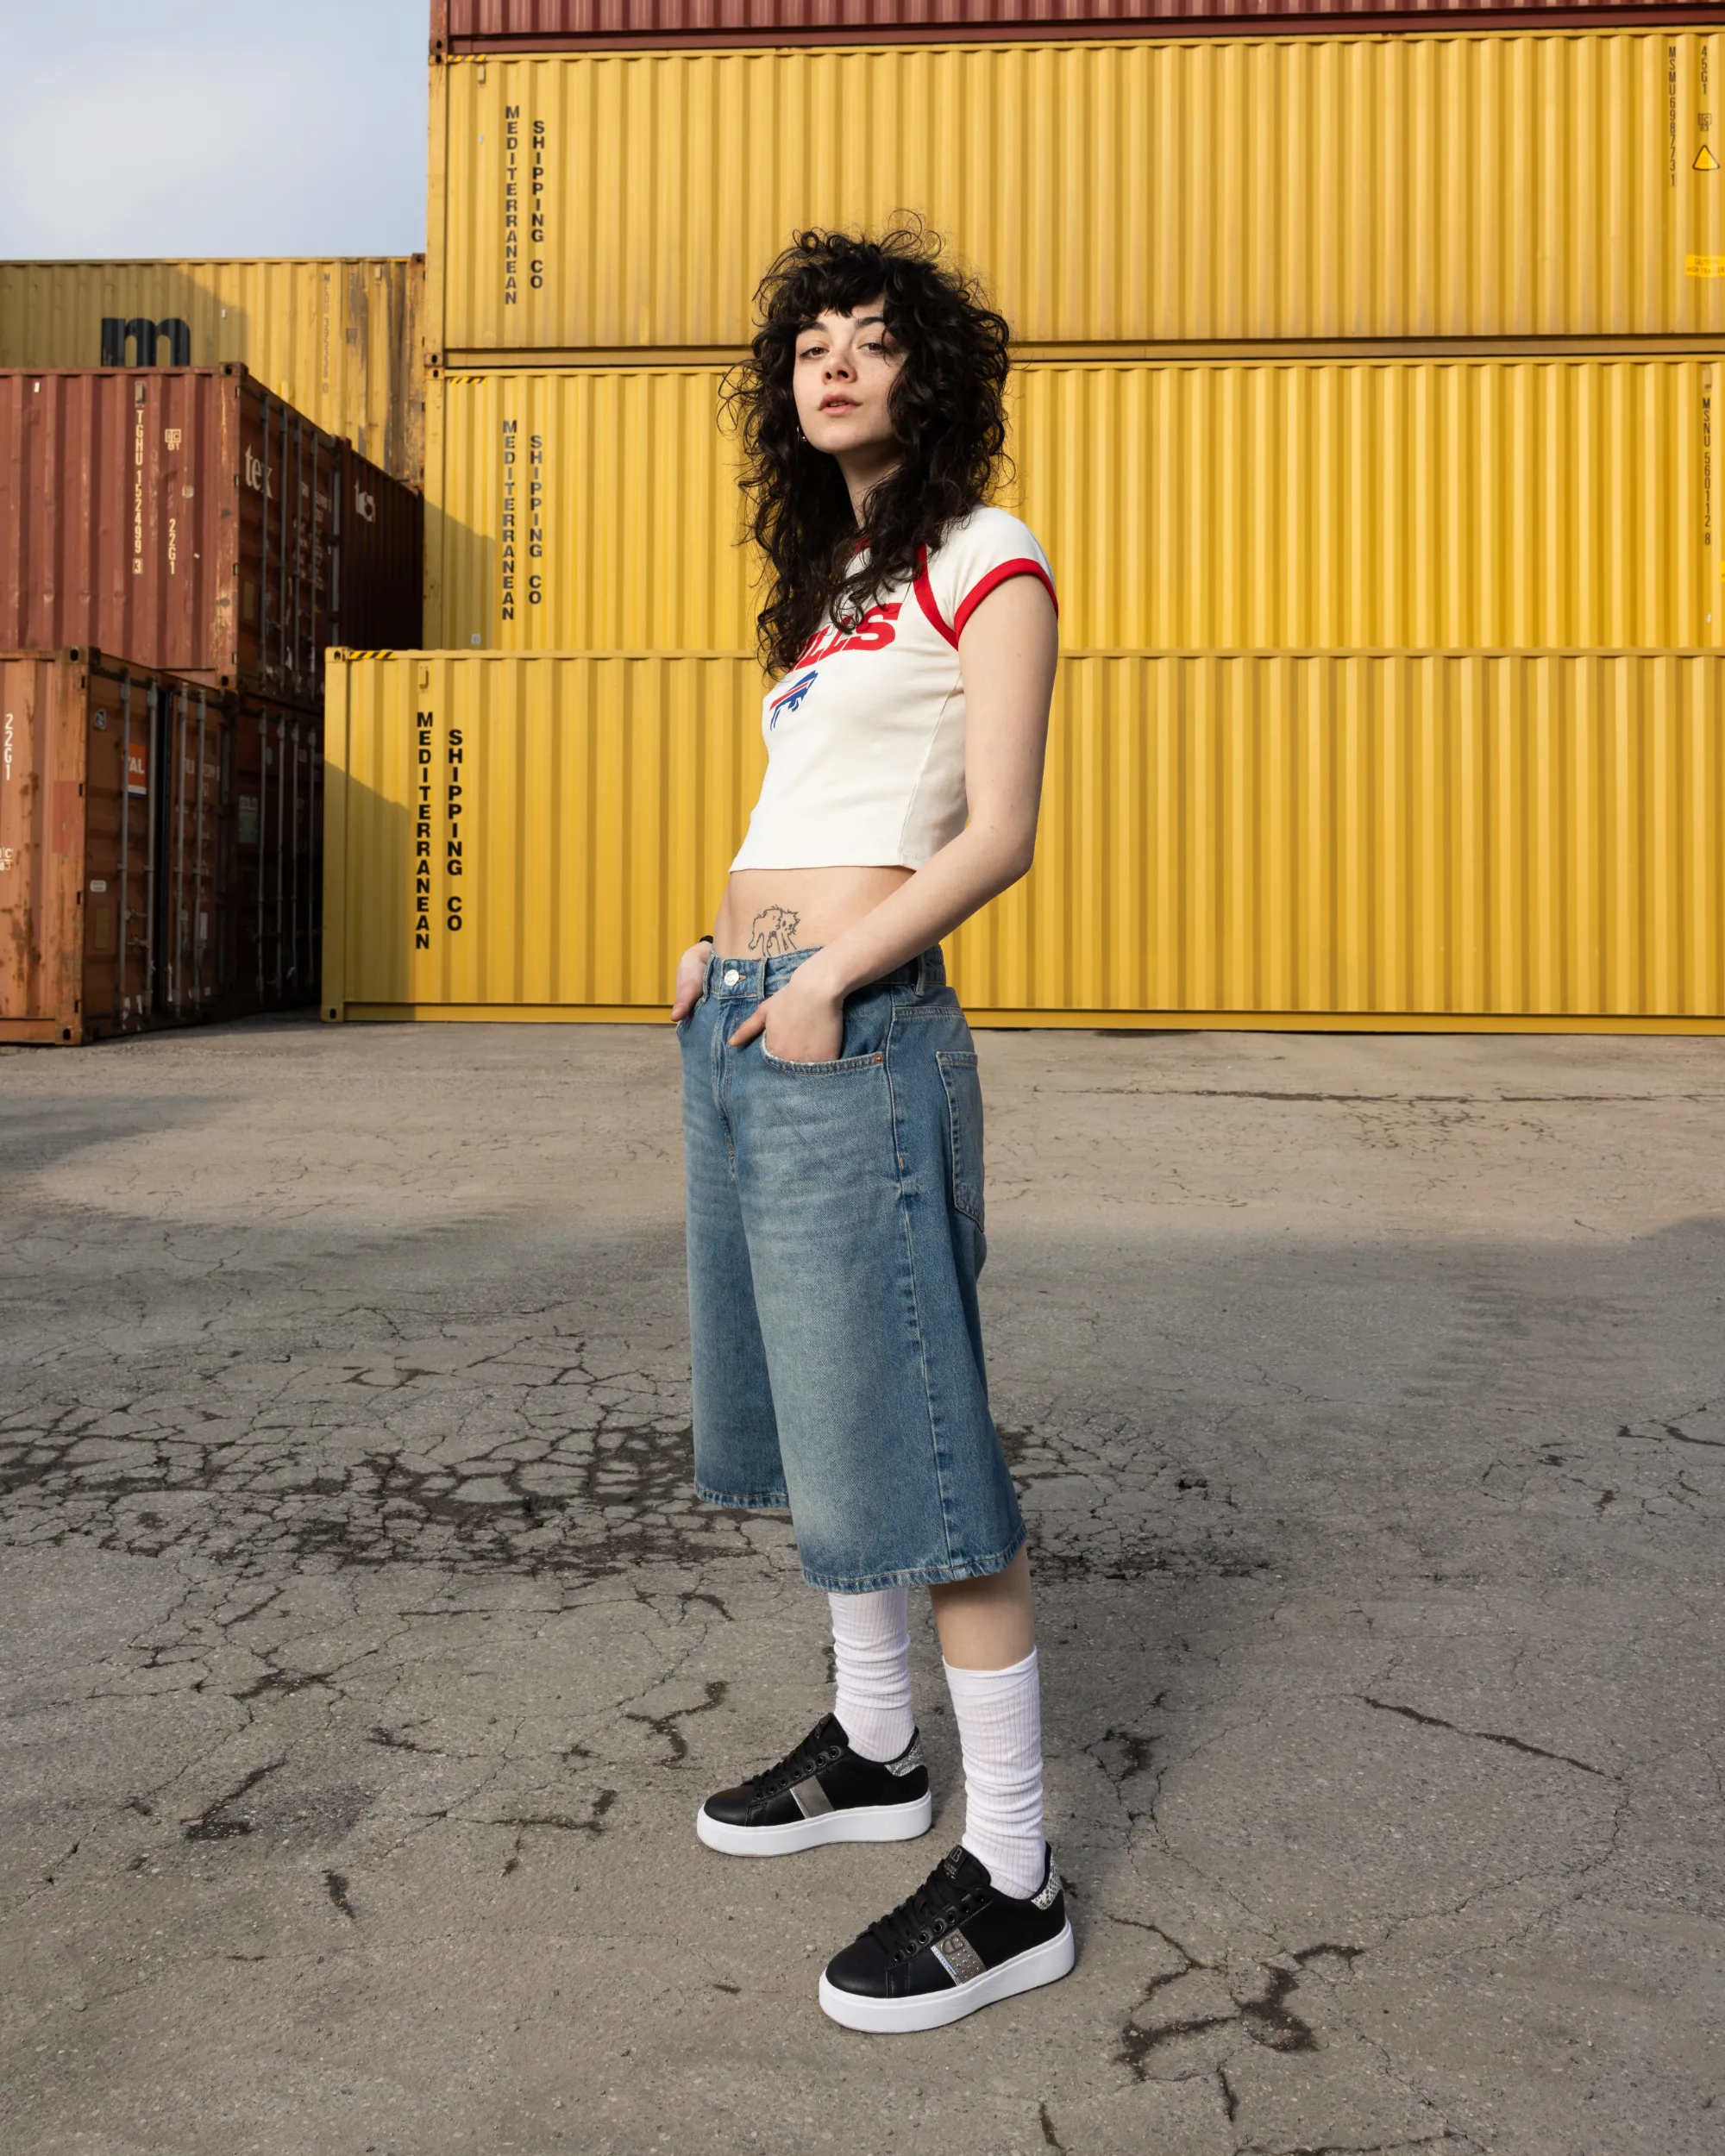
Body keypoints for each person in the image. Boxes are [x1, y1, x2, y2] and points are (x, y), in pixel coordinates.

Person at [668, 225, 1067, 2034]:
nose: (832, 362)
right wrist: (727, 956)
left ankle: (1015, 1873)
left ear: (933, 374)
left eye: (871, 339)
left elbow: (993, 831)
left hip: (860, 1032)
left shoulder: (988, 559)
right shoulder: (830, 587)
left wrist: (824, 973)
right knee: (819, 1419)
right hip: (748, 1027)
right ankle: (877, 1751)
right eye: (809, 341)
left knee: (920, 1435)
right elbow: (806, 800)